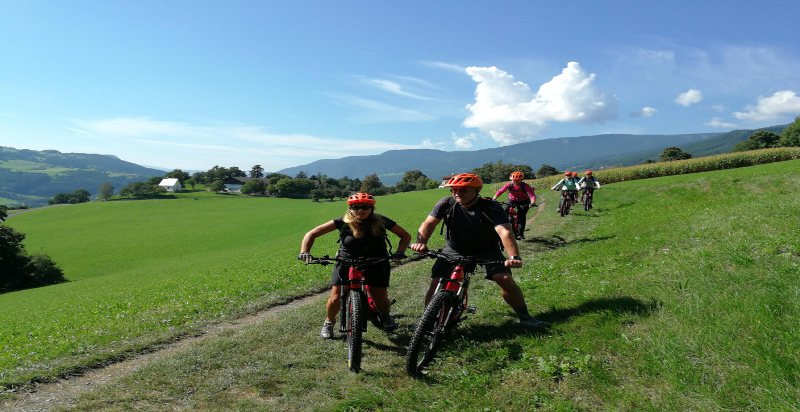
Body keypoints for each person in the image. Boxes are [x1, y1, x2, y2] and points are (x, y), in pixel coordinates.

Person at [409, 173, 549, 328]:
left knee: (504, 279)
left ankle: (525, 317)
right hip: (454, 248)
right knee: (437, 283)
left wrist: (513, 256)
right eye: (454, 190)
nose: (457, 193)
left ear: (476, 190)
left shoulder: (490, 206)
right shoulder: (446, 204)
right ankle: (427, 321)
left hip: (486, 248)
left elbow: (504, 231)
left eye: (463, 190)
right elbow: (428, 223)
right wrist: (420, 242)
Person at [299, 192, 411, 339]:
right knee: (336, 297)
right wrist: (305, 252)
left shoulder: (381, 220)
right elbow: (312, 233)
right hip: (346, 262)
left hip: (376, 262)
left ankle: (385, 316)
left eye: (365, 207)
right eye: (356, 207)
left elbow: (405, 235)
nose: (360, 210)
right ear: (350, 208)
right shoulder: (342, 222)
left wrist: (399, 252)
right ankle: (329, 322)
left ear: (372, 208)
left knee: (381, 298)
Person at [492, 171, 536, 240]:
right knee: (504, 211)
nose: (515, 182)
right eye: (514, 180)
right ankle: (503, 228)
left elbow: (532, 194)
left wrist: (532, 203)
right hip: (512, 200)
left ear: (521, 180)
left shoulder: (525, 186)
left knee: (521, 216)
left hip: (524, 201)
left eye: (517, 180)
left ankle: (521, 233)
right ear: (511, 179)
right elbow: (501, 191)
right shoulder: (509, 185)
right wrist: (494, 199)